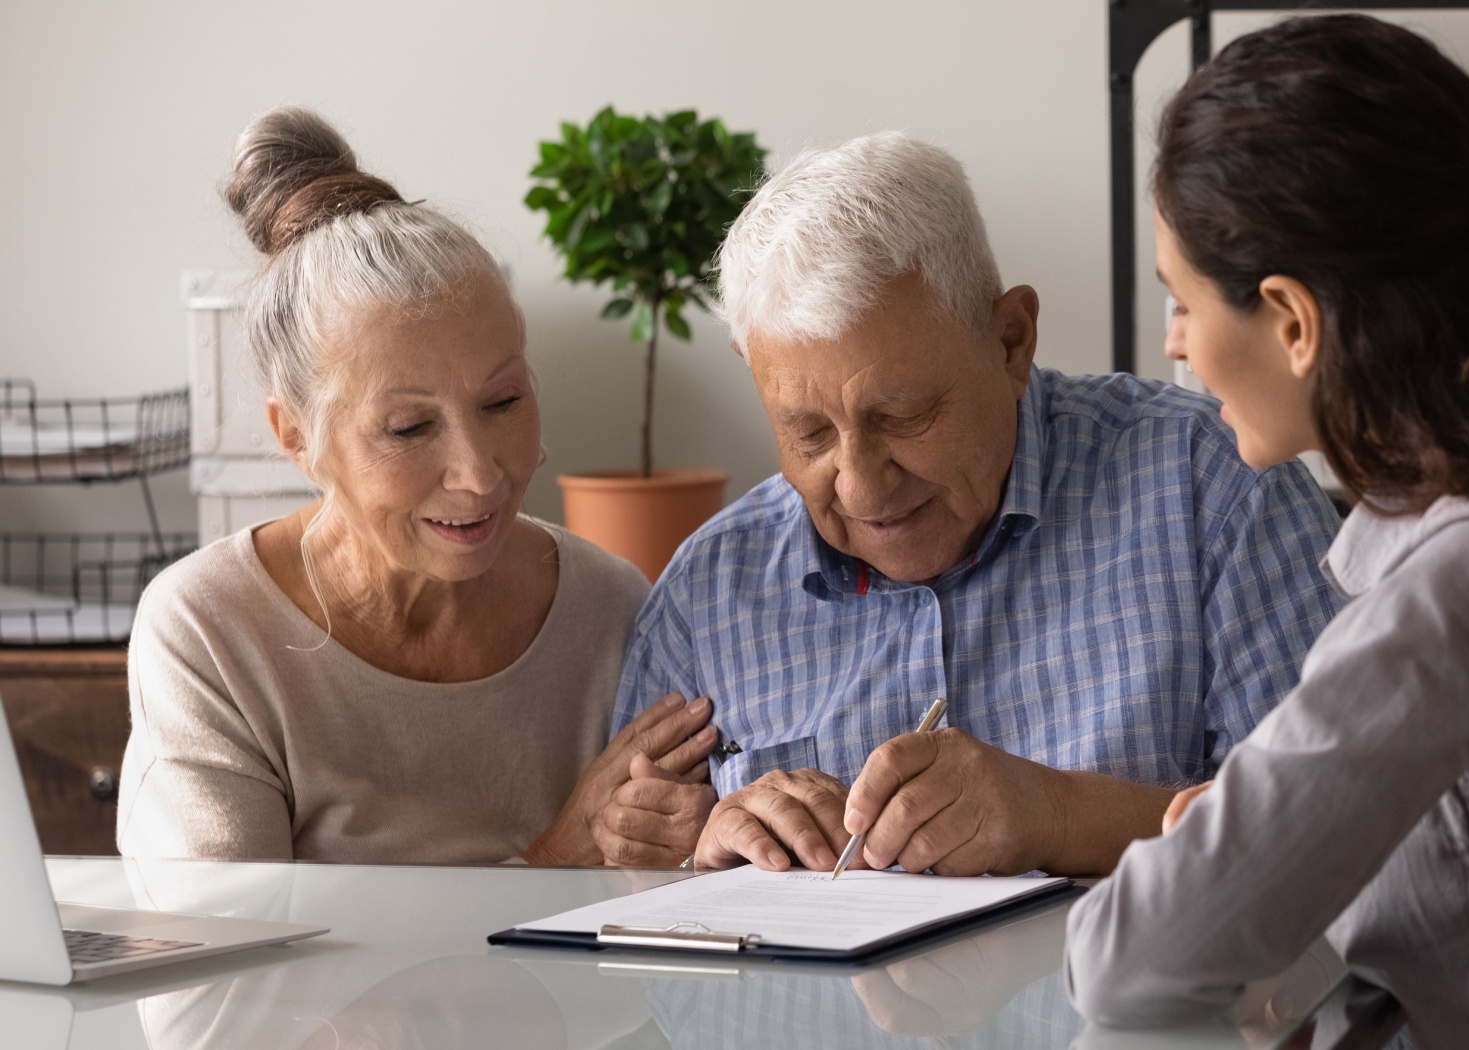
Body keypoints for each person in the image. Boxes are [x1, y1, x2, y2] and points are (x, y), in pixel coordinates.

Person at [1063, 16, 1469, 1047]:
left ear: (1293, 320)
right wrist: (1239, 849)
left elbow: (1127, 964)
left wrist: (1205, 873)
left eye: (1180, 303)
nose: (1174, 347)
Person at [599, 132, 1345, 874]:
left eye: (903, 416)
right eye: (808, 433)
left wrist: (1059, 816)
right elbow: (615, 929)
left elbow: (1345, 834)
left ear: (1011, 341)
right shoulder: (707, 594)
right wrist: (694, 856)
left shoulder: (1211, 490)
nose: (860, 485)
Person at [117, 107, 717, 865]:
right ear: (296, 436)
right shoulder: (211, 630)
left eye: (503, 402)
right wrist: (552, 865)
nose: (479, 474)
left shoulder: (612, 609)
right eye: (407, 429)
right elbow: (230, 962)